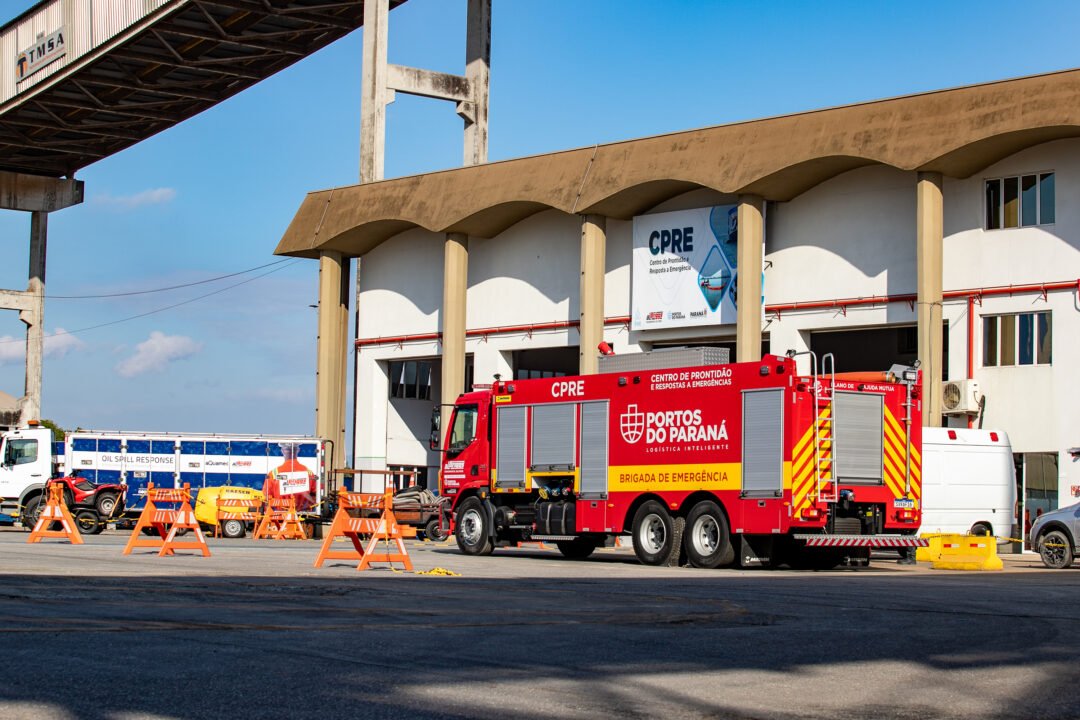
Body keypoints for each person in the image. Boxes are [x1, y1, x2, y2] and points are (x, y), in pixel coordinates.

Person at [263, 443, 317, 511]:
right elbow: (315, 496)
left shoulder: (273, 474)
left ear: (282, 451)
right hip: (303, 516)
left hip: (280, 517)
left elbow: (266, 497)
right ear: (298, 450)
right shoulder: (309, 473)